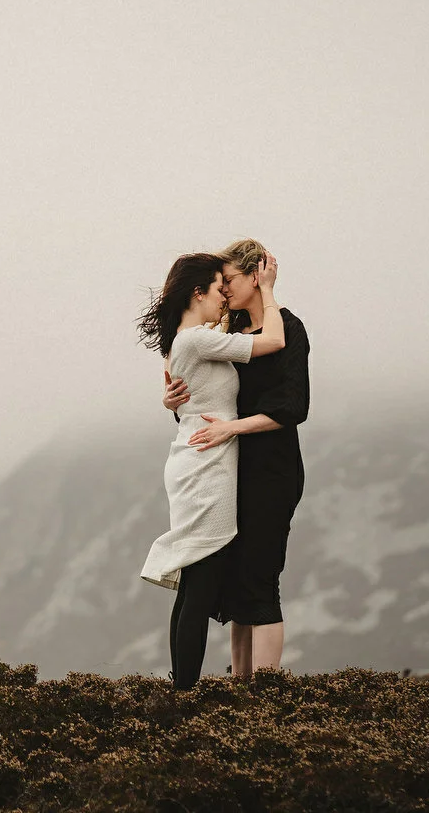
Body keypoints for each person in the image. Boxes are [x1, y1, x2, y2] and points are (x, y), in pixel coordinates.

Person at [136, 252, 285, 690]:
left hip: (198, 459)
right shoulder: (196, 340)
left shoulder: (187, 342)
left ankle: (181, 688)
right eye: (219, 287)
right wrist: (270, 292)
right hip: (207, 466)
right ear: (196, 291)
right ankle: (183, 692)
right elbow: (273, 342)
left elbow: (189, 401)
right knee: (201, 585)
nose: (224, 295)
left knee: (195, 584)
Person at [163, 239, 310, 678]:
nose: (224, 290)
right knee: (234, 587)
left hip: (271, 469)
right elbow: (208, 402)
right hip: (229, 471)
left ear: (255, 276)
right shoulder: (227, 336)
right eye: (219, 283)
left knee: (261, 580)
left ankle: (263, 696)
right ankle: (239, 691)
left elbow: (292, 408)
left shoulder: (288, 329)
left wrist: (231, 428)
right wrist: (175, 403)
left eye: (230, 280)